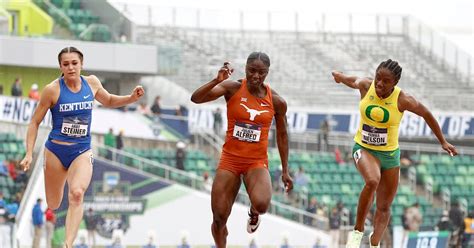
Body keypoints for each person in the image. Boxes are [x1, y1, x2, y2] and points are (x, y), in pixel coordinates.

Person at [19, 46, 144, 248]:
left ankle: (68, 244)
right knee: (54, 204)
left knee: (77, 193)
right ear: (60, 66)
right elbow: (34, 122)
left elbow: (110, 100)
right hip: (56, 152)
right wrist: (28, 153)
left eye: (74, 63)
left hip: (82, 151)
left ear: (82, 64)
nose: (70, 67)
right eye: (66, 64)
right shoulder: (53, 90)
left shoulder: (92, 83)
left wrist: (131, 98)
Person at [332, 59, 458, 248]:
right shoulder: (367, 86)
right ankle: (357, 234)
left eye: (386, 81)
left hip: (390, 156)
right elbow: (352, 80)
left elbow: (426, 114)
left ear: (395, 83)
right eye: (378, 78)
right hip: (363, 148)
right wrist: (339, 77)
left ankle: (375, 242)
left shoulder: (403, 100)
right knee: (372, 180)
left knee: (384, 207)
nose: (380, 84)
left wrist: (443, 141)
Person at [191, 52, 293, 248]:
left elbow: (282, 135)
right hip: (230, 160)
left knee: (262, 205)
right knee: (219, 217)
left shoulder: (277, 102)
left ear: (267, 73)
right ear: (245, 69)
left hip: (256, 162)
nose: (256, 76)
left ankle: (253, 213)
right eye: (251, 71)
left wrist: (285, 170)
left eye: (261, 73)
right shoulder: (233, 88)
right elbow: (196, 99)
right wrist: (216, 80)